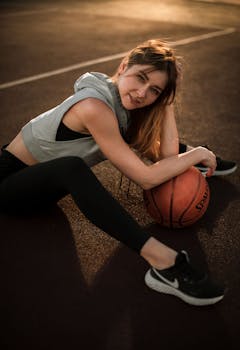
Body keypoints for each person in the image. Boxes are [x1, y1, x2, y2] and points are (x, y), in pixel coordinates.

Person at [1, 38, 233, 307]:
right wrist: (196, 154)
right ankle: (163, 262)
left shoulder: (125, 107)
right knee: (72, 167)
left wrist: (167, 102)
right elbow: (146, 178)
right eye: (140, 78)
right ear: (124, 66)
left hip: (41, 185)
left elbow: (168, 158)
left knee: (94, 157)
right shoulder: (93, 106)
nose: (141, 93)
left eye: (154, 91)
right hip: (8, 184)